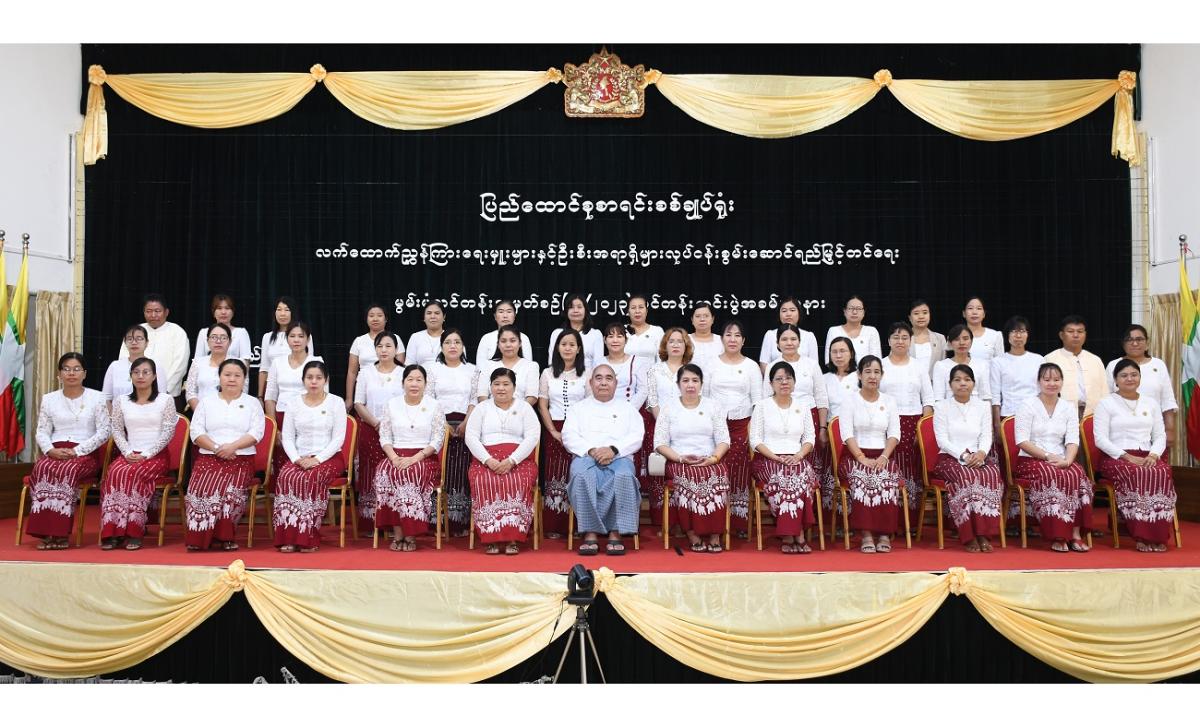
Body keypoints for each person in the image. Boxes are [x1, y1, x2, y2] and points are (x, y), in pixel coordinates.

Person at [26, 353, 111, 549]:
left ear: (84, 374)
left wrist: (77, 451)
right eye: (66, 369)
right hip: (55, 451)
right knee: (42, 467)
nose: (71, 373)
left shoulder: (97, 398)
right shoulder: (49, 399)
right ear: (59, 374)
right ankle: (45, 533)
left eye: (76, 369)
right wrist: (49, 450)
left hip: (85, 453)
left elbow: (105, 431)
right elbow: (42, 431)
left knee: (67, 470)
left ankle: (60, 534)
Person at [1093, 358, 1178, 552]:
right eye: (1124, 375)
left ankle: (1158, 536)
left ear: (1140, 377)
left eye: (1134, 375)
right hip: (1115, 458)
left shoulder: (1151, 403)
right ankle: (1141, 536)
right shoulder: (1106, 404)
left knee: (1162, 471)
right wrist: (1127, 457)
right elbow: (1100, 439)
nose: (1129, 379)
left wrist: (1154, 455)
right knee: (1137, 473)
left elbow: (1160, 435)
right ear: (1115, 380)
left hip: (1147, 455)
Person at [562, 364, 645, 556]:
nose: (603, 383)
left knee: (624, 476)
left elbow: (636, 437)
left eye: (609, 378)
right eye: (598, 378)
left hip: (619, 456)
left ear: (616, 383)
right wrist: (592, 451)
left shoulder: (628, 409)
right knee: (582, 476)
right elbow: (569, 436)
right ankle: (590, 532)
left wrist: (613, 450)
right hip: (586, 456)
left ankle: (616, 533)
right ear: (591, 383)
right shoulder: (578, 409)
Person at [1014, 362, 1095, 552]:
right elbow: (1022, 441)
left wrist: (1068, 460)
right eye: (1047, 379)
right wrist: (1048, 456)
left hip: (1061, 458)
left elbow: (1073, 440)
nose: (1052, 383)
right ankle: (1058, 535)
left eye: (1056, 379)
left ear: (1062, 382)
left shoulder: (1068, 407)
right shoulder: (1027, 405)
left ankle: (1075, 534)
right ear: (1038, 382)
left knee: (1078, 475)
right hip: (1031, 459)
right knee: (1052, 475)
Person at [186, 360, 265, 551]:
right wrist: (216, 448)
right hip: (209, 456)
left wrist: (233, 447)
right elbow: (196, 432)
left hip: (241, 458)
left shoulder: (252, 403)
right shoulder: (206, 402)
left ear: (244, 379)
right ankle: (199, 538)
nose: (232, 379)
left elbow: (256, 433)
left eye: (237, 375)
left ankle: (225, 537)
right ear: (219, 377)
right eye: (227, 375)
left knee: (228, 491)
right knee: (200, 489)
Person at [100, 357, 177, 550]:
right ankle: (113, 531)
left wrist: (147, 454)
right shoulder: (121, 401)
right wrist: (127, 451)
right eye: (136, 372)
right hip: (130, 452)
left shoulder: (165, 400)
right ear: (131, 376)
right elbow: (117, 430)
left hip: (156, 455)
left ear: (154, 376)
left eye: (145, 372)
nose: (140, 376)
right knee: (115, 472)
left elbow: (168, 431)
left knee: (134, 473)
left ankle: (134, 530)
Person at [655, 364, 731, 552]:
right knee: (690, 475)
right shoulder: (668, 408)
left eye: (695, 380)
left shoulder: (713, 406)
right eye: (686, 380)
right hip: (679, 459)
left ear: (701, 384)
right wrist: (680, 458)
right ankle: (692, 533)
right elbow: (660, 443)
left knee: (717, 473)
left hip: (709, 458)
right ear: (678, 384)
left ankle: (715, 534)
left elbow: (724, 440)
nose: (690, 385)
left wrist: (714, 458)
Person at [272, 361, 348, 553]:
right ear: (303, 380)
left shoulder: (336, 402)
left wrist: (317, 459)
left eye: (318, 378)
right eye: (309, 378)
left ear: (326, 380)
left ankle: (308, 537)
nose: (314, 382)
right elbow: (288, 437)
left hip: (329, 458)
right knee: (285, 476)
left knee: (311, 477)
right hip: (300, 457)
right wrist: (296, 459)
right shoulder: (293, 403)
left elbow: (338, 438)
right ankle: (288, 537)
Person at [465, 368, 541, 554]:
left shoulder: (524, 408)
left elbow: (532, 437)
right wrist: (488, 460)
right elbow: (471, 437)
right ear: (490, 387)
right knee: (484, 480)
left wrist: (512, 460)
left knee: (517, 480)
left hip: (518, 459)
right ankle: (490, 538)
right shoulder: (482, 408)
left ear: (514, 387)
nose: (501, 388)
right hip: (486, 458)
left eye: (506, 384)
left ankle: (513, 538)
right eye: (496, 384)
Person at [372, 364, 447, 552]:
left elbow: (437, 440)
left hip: (424, 457)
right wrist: (393, 458)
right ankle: (398, 533)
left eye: (419, 380)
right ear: (403, 382)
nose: (414, 384)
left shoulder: (434, 406)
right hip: (396, 454)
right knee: (384, 471)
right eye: (410, 379)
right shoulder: (392, 404)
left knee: (409, 473)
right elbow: (385, 436)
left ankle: (411, 534)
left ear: (425, 384)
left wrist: (414, 459)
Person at [932, 365, 1005, 552]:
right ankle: (969, 535)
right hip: (949, 458)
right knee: (966, 476)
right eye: (957, 380)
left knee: (992, 474)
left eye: (967, 379)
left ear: (973, 383)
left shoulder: (982, 406)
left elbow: (986, 435)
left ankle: (984, 534)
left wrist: (981, 453)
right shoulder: (941, 407)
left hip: (978, 456)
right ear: (950, 384)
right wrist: (964, 456)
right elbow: (942, 440)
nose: (962, 383)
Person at [750, 361, 819, 553]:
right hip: (767, 459)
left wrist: (798, 455)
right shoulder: (762, 406)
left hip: (797, 458)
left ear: (794, 382)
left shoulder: (803, 406)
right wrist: (775, 457)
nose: (784, 382)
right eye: (779, 379)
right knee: (785, 478)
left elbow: (810, 438)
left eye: (788, 378)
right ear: (771, 384)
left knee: (800, 476)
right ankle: (794, 534)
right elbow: (755, 440)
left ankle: (794, 532)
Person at [838, 355, 903, 554]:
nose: (872, 376)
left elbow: (894, 434)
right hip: (854, 455)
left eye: (876, 372)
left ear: (882, 375)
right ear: (859, 375)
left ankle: (884, 534)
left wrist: (884, 457)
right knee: (863, 476)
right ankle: (866, 534)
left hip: (883, 454)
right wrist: (861, 458)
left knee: (887, 477)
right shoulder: (849, 400)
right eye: (867, 372)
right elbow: (846, 433)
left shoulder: (890, 401)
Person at [703, 319, 762, 537]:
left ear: (744, 340)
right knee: (716, 469)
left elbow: (758, 402)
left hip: (742, 425)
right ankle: (714, 519)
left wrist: (753, 431)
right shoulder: (711, 364)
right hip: (715, 426)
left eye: (737, 335)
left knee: (739, 471)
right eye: (728, 335)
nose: (732, 339)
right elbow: (704, 397)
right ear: (722, 339)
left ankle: (738, 522)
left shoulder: (751, 366)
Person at [761, 324, 830, 510]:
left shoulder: (811, 364)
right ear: (777, 343)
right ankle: (790, 507)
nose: (789, 343)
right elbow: (765, 398)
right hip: (781, 422)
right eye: (784, 339)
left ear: (799, 342)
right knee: (787, 468)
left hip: (809, 419)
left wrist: (822, 427)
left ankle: (809, 511)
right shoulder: (773, 366)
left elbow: (821, 397)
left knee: (810, 466)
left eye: (793, 339)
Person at [537, 329, 592, 538]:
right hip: (555, 428)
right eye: (563, 344)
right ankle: (555, 525)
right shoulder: (547, 373)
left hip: (580, 430)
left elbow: (590, 404)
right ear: (557, 348)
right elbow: (543, 405)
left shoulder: (587, 373)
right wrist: (552, 430)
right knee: (555, 475)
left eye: (572, 345)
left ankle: (579, 524)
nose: (567, 348)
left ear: (578, 349)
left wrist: (580, 432)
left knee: (576, 474)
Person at [879, 322, 934, 529]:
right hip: (886, 424)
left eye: (904, 337)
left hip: (914, 422)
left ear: (910, 341)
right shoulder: (881, 365)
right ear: (888, 341)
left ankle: (910, 523)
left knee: (912, 471)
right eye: (896, 337)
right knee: (891, 468)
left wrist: (922, 429)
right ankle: (889, 522)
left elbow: (928, 399)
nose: (900, 341)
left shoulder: (918, 366)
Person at [351, 332, 405, 531]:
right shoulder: (366, 373)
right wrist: (376, 423)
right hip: (370, 428)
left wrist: (390, 425)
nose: (384, 350)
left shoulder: (404, 373)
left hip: (398, 432)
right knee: (370, 473)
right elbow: (358, 403)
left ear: (396, 350)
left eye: (388, 346)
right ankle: (371, 522)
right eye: (380, 346)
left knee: (393, 473)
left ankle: (393, 521)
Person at [427, 329, 478, 536]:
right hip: (440, 425)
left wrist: (467, 422)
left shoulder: (472, 370)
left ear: (463, 346)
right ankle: (438, 521)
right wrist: (443, 425)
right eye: (448, 342)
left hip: (466, 424)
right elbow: (429, 399)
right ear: (441, 347)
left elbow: (474, 399)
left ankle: (460, 522)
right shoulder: (432, 370)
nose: (453, 346)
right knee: (442, 471)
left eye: (457, 342)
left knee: (461, 472)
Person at [645, 327, 692, 528]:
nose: (675, 345)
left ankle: (686, 521)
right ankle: (662, 523)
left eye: (680, 341)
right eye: (671, 341)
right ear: (665, 345)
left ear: (686, 346)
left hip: (687, 430)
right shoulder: (655, 370)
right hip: (659, 428)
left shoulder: (692, 370)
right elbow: (652, 401)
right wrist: (664, 425)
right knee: (660, 474)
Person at [1105, 325, 1178, 451]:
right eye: (1129, 339)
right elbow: (1106, 399)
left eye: (1139, 339)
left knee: (1154, 462)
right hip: (1121, 432)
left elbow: (1167, 400)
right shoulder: (1113, 365)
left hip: (1155, 430)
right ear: (1123, 344)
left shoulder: (1158, 365)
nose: (1134, 343)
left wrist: (1169, 429)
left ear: (1147, 343)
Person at [264, 322, 324, 473]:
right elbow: (270, 397)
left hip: (309, 418)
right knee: (282, 465)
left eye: (301, 336)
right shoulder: (277, 363)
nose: (296, 340)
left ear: (308, 339)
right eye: (292, 336)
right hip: (282, 417)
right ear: (287, 339)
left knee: (306, 464)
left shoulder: (316, 361)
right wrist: (275, 428)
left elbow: (323, 396)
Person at [118, 294, 190, 410]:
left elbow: (180, 365)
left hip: (169, 395)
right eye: (149, 311)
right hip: (136, 395)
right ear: (144, 312)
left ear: (166, 312)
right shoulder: (135, 331)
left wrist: (163, 390)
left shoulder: (177, 332)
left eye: (157, 311)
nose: (153, 315)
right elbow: (124, 360)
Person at [990, 316, 1044, 437]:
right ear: (1007, 335)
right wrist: (997, 424)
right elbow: (995, 396)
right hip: (1009, 415)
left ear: (1027, 334)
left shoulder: (1038, 360)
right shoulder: (998, 362)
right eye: (1014, 331)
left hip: (1035, 415)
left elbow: (1043, 391)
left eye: (1022, 331)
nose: (1018, 336)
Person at [1044, 315, 1107, 419]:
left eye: (1080, 331)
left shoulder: (1095, 360)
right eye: (1070, 331)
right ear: (1061, 335)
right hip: (1060, 416)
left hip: (1093, 416)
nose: (1076, 335)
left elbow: (1104, 392)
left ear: (1085, 335)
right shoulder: (1049, 359)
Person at [346, 303, 401, 414]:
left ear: (386, 319)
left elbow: (400, 366)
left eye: (379, 315)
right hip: (364, 387)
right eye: (371, 315)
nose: (375, 319)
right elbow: (352, 372)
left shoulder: (395, 338)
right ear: (366, 319)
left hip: (391, 387)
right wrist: (349, 398)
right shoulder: (359, 341)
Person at [258, 296, 315, 399]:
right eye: (279, 309)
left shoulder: (304, 336)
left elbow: (310, 365)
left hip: (298, 387)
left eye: (287, 310)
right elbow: (264, 369)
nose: (282, 314)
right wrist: (260, 396)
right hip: (273, 388)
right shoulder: (267, 337)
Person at [185, 323, 248, 411]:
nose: (218, 341)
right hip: (201, 411)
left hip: (231, 412)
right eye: (214, 337)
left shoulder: (239, 363)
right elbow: (190, 392)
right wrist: (201, 412)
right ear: (207, 341)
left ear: (230, 342)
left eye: (223, 338)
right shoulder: (197, 363)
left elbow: (243, 391)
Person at [103, 324, 165, 410]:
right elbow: (106, 398)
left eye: (139, 338)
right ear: (125, 342)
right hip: (118, 415)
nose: (134, 342)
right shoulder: (115, 366)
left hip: (149, 414)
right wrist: (113, 417)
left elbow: (162, 398)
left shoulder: (156, 366)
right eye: (130, 339)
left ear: (147, 342)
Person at [476, 324, 539, 405]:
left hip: (520, 411)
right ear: (498, 344)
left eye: (512, 341)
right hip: (491, 411)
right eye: (503, 341)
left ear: (520, 343)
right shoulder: (487, 365)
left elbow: (532, 397)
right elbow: (482, 395)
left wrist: (516, 411)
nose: (508, 345)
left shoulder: (531, 366)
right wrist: (492, 411)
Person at [932, 325, 993, 404]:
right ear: (950, 343)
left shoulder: (982, 365)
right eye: (956, 339)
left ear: (971, 341)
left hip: (977, 409)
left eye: (965, 339)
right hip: (949, 409)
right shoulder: (941, 366)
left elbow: (986, 396)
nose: (961, 343)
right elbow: (938, 398)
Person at [758, 296, 819, 370]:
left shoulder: (809, 336)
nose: (788, 314)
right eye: (784, 311)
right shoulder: (770, 335)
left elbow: (814, 364)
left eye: (792, 310)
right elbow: (764, 364)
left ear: (799, 313)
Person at [546, 293, 604, 369]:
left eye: (579, 307)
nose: (575, 310)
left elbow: (598, 365)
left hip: (588, 375)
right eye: (571, 307)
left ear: (586, 310)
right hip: (561, 375)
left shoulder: (595, 334)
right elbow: (552, 362)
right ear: (566, 311)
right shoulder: (557, 333)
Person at [192, 294, 253, 362]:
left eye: (227, 308)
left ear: (233, 312)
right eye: (219, 308)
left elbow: (245, 361)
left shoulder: (241, 333)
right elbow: (197, 360)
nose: (223, 312)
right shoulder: (203, 333)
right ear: (213, 312)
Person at [823, 294, 881, 366]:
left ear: (864, 312)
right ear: (844, 311)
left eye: (859, 309)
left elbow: (876, 360)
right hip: (840, 372)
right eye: (851, 308)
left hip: (866, 372)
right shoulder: (833, 331)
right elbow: (829, 360)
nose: (854, 312)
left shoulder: (871, 331)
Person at [475, 300, 533, 366]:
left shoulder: (523, 338)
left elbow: (528, 365)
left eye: (509, 312)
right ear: (495, 316)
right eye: (501, 312)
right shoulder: (486, 338)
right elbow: (480, 366)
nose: (505, 316)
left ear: (514, 316)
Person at [907, 299, 947, 377]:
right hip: (911, 382)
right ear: (909, 318)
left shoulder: (940, 338)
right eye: (916, 313)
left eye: (925, 313)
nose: (921, 316)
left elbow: (944, 364)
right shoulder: (903, 339)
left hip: (934, 382)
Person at [405, 301, 446, 369]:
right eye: (429, 313)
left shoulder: (452, 337)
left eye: (437, 313)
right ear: (424, 317)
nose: (433, 316)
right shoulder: (416, 337)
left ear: (444, 316)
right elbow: (409, 365)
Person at [623, 293, 666, 359]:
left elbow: (663, 357)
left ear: (646, 311)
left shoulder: (657, 331)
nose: (637, 311)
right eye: (633, 308)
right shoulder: (621, 330)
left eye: (641, 307)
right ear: (628, 311)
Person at [962, 297, 1004, 363]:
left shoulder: (995, 335)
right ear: (964, 313)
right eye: (970, 308)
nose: (974, 312)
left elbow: (1000, 363)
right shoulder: (956, 336)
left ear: (984, 314)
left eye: (979, 308)